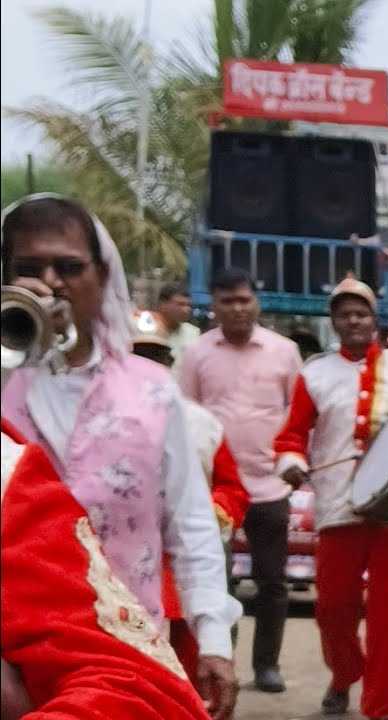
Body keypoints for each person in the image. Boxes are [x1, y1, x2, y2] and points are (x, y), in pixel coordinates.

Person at [0, 194, 241, 716]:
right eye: (28, 269)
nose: (51, 282)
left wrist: (214, 639)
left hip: (123, 660)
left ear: (102, 277)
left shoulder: (152, 390)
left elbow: (190, 520)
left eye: (68, 267)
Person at [271, 277, 388, 719]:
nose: (353, 320)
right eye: (344, 314)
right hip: (336, 506)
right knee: (331, 610)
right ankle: (345, 672)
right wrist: (290, 462)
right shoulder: (315, 373)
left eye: (361, 313)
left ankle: (382, 708)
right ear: (334, 322)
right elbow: (292, 435)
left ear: (374, 320)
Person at [1, 420, 219, 720]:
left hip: (114, 593)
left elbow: (194, 516)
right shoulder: (24, 398)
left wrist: (214, 632)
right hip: (77, 583)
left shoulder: (179, 415)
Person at [178, 265, 303, 693]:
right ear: (213, 306)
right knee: (217, 581)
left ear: (257, 302)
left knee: (273, 581)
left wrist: (290, 460)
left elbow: (297, 414)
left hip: (269, 484)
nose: (237, 309)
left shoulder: (284, 351)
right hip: (214, 490)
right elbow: (187, 416)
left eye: (244, 300)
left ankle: (266, 665)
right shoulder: (196, 353)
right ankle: (219, 663)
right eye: (227, 301)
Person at [131, 309, 250, 681]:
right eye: (137, 356)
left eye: (155, 356)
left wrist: (214, 510)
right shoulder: (91, 421)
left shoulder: (201, 423)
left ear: (168, 361)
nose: (146, 366)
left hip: (187, 573)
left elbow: (233, 489)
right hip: (124, 578)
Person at [155, 282, 201, 370]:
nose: (186, 310)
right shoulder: (148, 332)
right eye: (181, 304)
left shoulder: (193, 333)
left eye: (188, 305)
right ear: (163, 304)